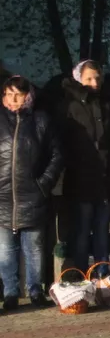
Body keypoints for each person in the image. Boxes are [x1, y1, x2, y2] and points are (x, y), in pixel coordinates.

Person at [0, 76, 62, 309]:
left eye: (19, 94)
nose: (13, 99)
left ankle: (35, 290)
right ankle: (10, 293)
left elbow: (57, 155)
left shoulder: (40, 120)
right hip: (3, 197)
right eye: (9, 94)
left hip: (32, 196)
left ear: (28, 96)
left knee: (33, 248)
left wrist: (43, 183)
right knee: (5, 250)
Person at [60, 59, 110, 274]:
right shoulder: (70, 105)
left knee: (102, 230)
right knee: (82, 230)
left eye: (97, 77)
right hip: (82, 178)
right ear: (79, 79)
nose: (94, 83)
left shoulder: (109, 102)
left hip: (106, 177)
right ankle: (81, 274)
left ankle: (102, 274)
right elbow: (64, 142)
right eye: (89, 79)